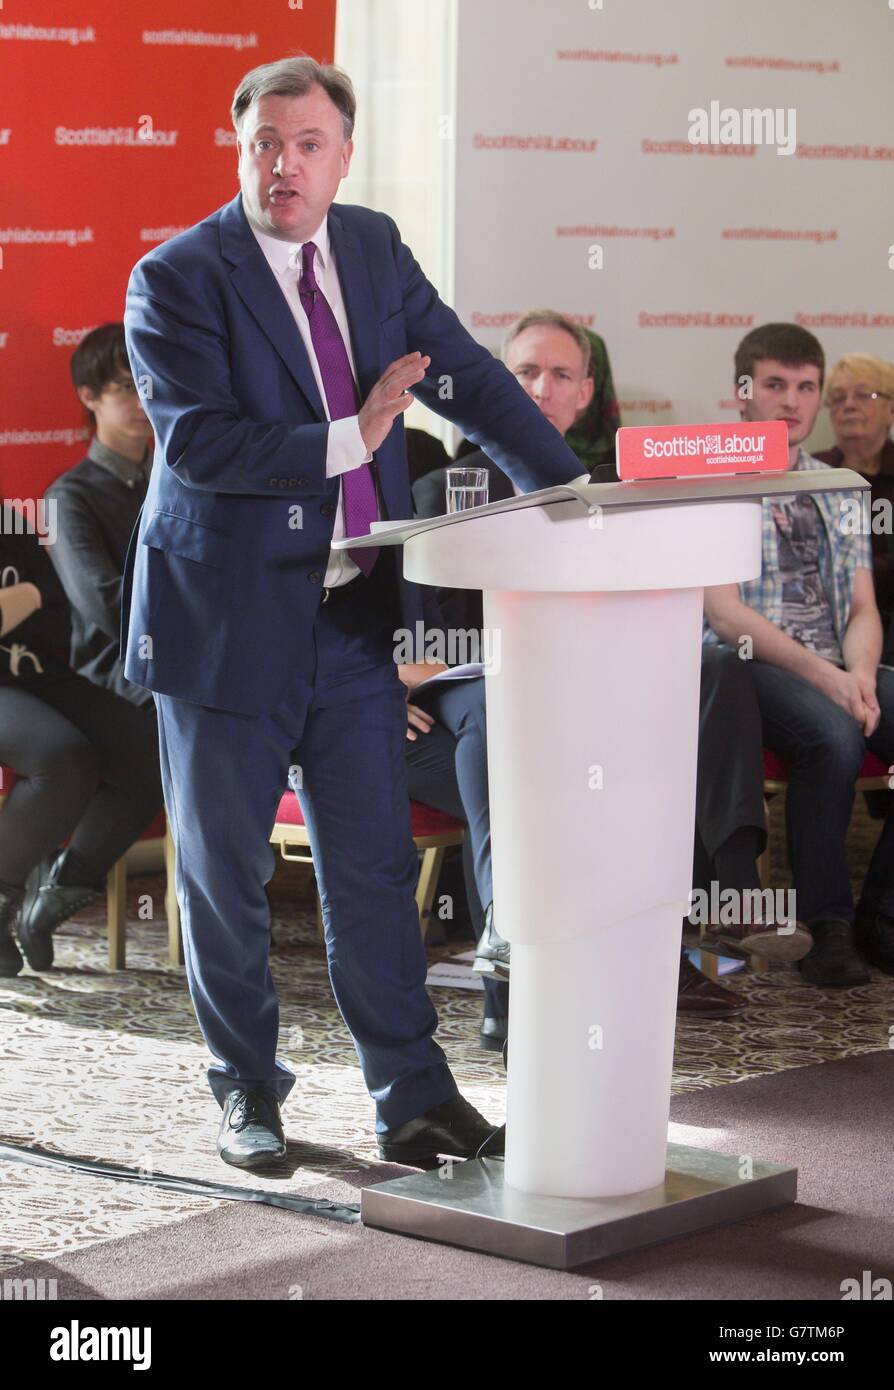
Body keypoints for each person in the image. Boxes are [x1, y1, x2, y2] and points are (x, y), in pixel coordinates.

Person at [121, 57, 588, 1170]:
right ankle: (249, 1095)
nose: (284, 164)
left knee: (374, 867)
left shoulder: (371, 246)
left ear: (344, 151)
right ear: (238, 149)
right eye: (263, 144)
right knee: (226, 876)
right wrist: (356, 436)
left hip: (350, 620)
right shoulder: (177, 276)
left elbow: (464, 372)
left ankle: (415, 1096)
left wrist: (565, 489)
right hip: (225, 623)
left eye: (308, 143)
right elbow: (199, 444)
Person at [413, 309, 773, 1033]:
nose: (540, 387)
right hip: (471, 695)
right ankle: (511, 991)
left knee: (709, 669)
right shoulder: (446, 491)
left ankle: (726, 892)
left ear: (585, 395)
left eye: (561, 375)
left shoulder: (606, 493)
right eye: (523, 371)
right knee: (512, 728)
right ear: (494, 382)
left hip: (587, 685)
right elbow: (422, 641)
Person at [705, 323, 894, 986]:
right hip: (748, 664)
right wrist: (831, 682)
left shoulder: (839, 483)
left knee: (857, 708)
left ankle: (883, 919)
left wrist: (862, 673)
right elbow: (724, 614)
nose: (792, 401)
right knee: (834, 735)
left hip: (835, 661)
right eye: (775, 385)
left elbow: (861, 606)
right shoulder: (709, 476)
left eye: (805, 387)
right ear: (742, 393)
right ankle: (827, 928)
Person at [0, 509, 162, 975]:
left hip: (38, 673)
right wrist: (28, 593)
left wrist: (29, 596)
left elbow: (54, 596)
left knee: (149, 755)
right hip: (11, 683)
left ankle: (56, 895)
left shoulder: (8, 518)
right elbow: (41, 591)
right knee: (63, 759)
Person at [814, 355, 894, 653]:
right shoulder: (811, 474)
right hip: (820, 627)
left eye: (864, 395)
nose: (848, 405)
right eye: (837, 398)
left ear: (891, 409)